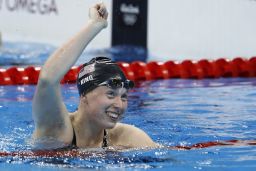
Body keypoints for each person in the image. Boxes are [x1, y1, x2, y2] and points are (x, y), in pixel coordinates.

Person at [32, 2, 158, 149]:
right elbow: (48, 79)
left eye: (123, 97)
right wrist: (95, 25)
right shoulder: (57, 129)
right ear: (84, 95)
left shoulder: (126, 137)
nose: (119, 105)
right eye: (111, 94)